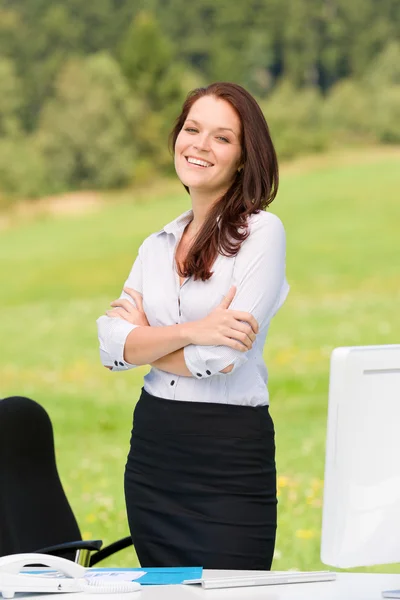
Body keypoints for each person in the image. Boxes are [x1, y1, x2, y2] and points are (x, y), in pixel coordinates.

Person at [96, 82, 289, 570]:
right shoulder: (154, 246)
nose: (200, 145)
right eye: (192, 129)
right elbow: (109, 344)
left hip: (227, 455)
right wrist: (191, 331)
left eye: (222, 138)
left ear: (245, 157)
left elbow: (221, 357)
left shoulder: (262, 234)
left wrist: (143, 343)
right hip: (156, 453)